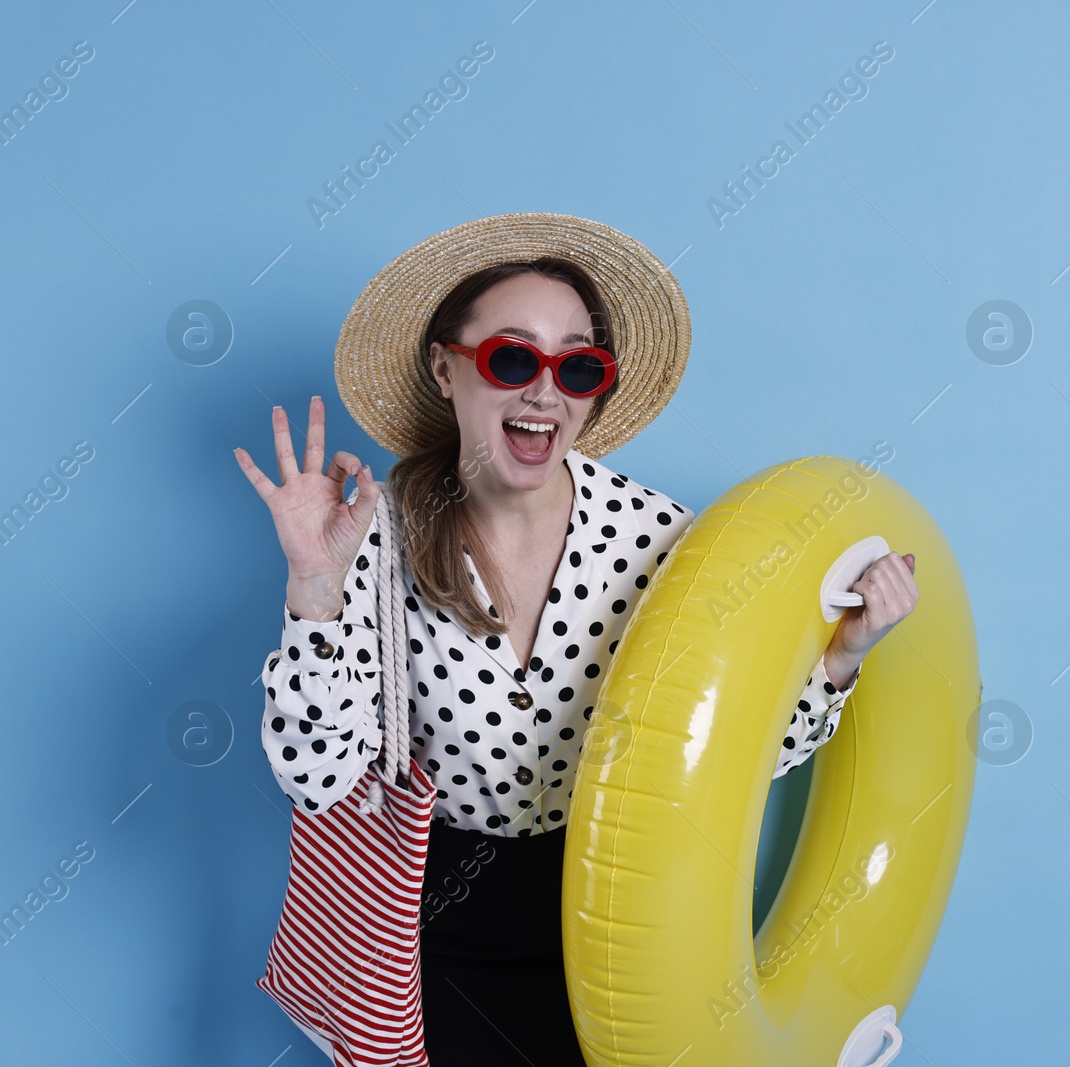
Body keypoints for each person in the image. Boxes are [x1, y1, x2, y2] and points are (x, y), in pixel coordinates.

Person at [234, 213, 919, 1065]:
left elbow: (733, 752)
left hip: (617, 921)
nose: (544, 391)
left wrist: (843, 656)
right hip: (428, 944)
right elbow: (317, 775)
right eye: (512, 358)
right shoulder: (374, 535)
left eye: (578, 364)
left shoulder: (664, 540)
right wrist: (314, 587)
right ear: (446, 369)